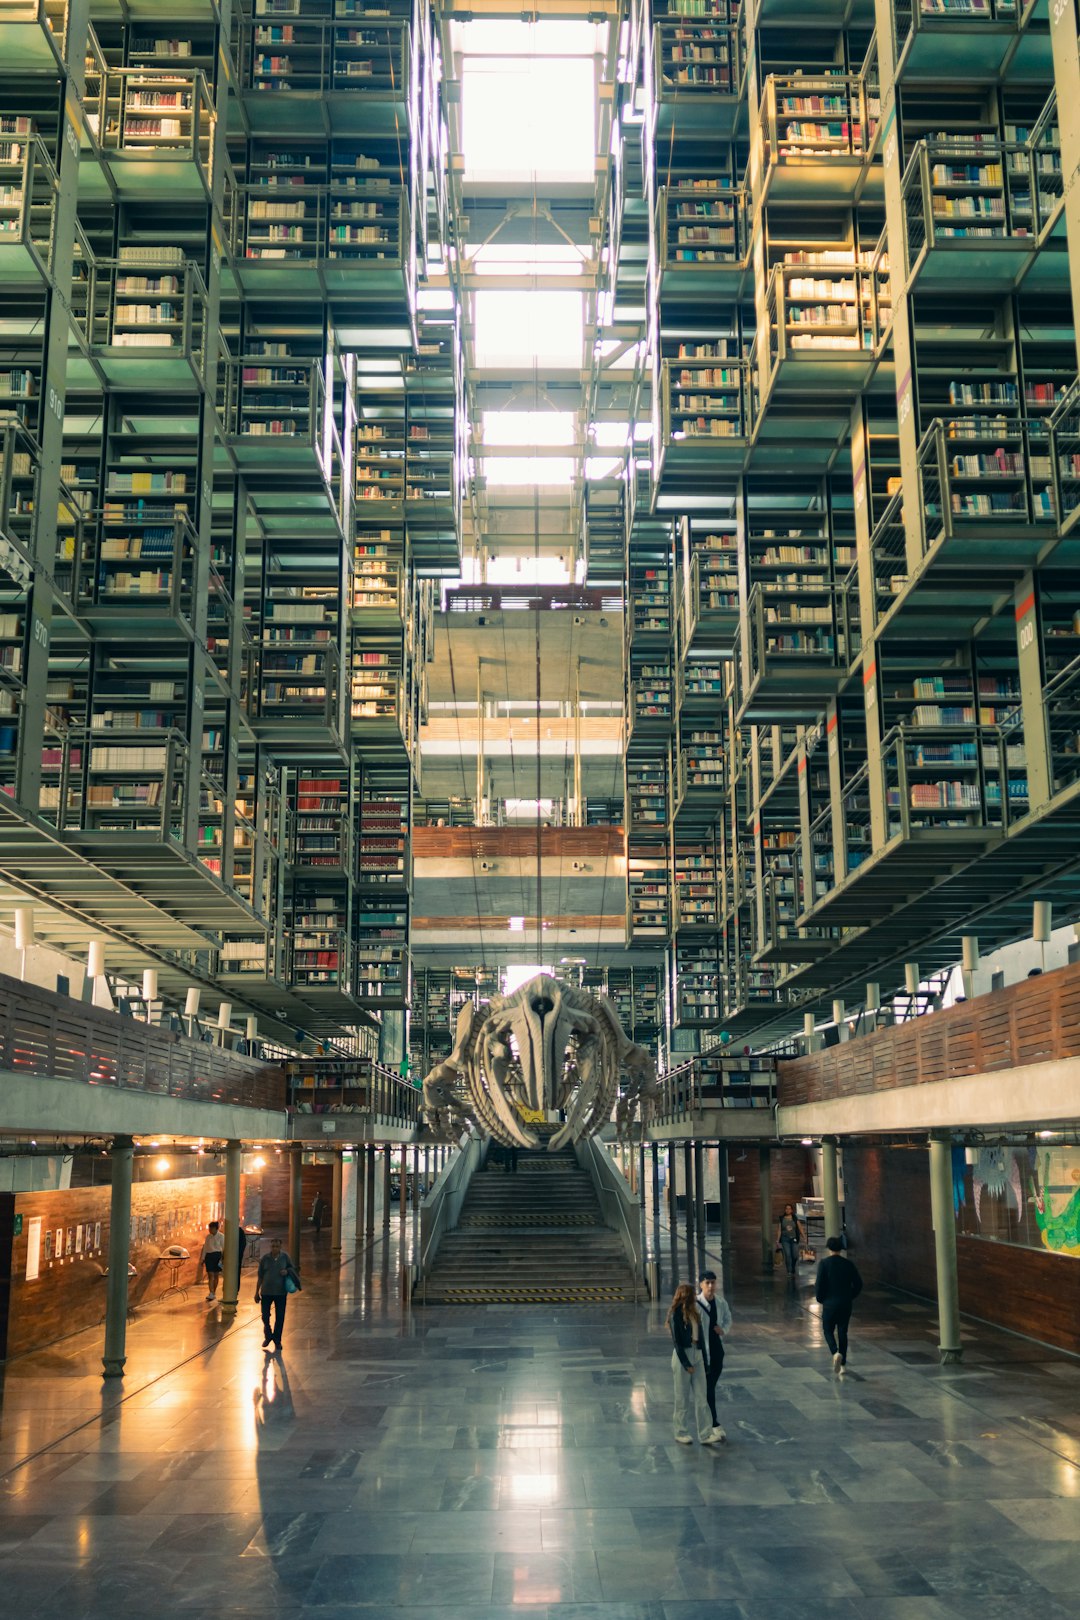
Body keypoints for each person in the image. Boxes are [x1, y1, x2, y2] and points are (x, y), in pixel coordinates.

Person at [666, 1282, 723, 1447]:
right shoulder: (675, 1314)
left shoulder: (695, 1313)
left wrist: (705, 1362)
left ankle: (705, 1434)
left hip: (697, 1353)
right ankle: (681, 1432)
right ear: (685, 1296)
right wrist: (686, 1364)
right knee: (682, 1398)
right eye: (692, 1295)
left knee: (701, 1397)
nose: (694, 1298)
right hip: (682, 1355)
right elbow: (677, 1343)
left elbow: (701, 1339)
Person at [815, 1235, 863, 1376]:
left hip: (829, 1304)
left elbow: (819, 1285)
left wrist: (821, 1299)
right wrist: (850, 1296)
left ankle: (835, 1352)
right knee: (843, 1332)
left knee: (828, 1330)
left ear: (829, 1248)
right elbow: (858, 1284)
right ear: (841, 1249)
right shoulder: (848, 1264)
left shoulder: (824, 1264)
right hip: (845, 1303)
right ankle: (843, 1365)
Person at [697, 1270, 732, 1437]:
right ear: (701, 1285)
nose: (710, 1286)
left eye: (713, 1282)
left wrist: (723, 1330)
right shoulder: (696, 1304)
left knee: (710, 1386)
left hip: (716, 1349)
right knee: (708, 1388)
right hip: (702, 1352)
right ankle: (713, 1422)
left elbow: (728, 1319)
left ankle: (711, 1421)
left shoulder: (720, 1302)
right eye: (707, 1283)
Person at [254, 1237, 301, 1351]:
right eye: (273, 1246)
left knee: (280, 1317)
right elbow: (260, 1276)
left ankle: (277, 1339)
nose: (274, 1248)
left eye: (277, 1246)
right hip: (266, 1292)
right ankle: (268, 1335)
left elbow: (293, 1268)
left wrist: (287, 1271)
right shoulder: (265, 1259)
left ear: (280, 1247)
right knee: (265, 1316)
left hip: (280, 1293)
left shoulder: (285, 1257)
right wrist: (256, 1292)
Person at [200, 1220, 224, 1301]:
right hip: (209, 1256)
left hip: (217, 1256)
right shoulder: (208, 1237)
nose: (210, 1230)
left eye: (211, 1228)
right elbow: (205, 1248)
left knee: (216, 1275)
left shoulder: (221, 1236)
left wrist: (222, 1259)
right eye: (209, 1228)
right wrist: (202, 1259)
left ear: (216, 1228)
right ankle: (211, 1292)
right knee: (210, 1275)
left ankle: (214, 1292)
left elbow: (223, 1249)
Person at [777, 1202, 803, 1277]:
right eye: (786, 1209)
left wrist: (804, 1237)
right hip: (785, 1239)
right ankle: (789, 1271)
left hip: (794, 1239)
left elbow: (800, 1228)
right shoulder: (782, 1219)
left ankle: (793, 1267)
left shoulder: (795, 1218)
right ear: (785, 1210)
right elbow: (779, 1230)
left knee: (795, 1255)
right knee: (788, 1255)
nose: (788, 1210)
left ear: (792, 1210)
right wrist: (777, 1240)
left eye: (789, 1209)